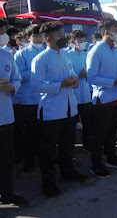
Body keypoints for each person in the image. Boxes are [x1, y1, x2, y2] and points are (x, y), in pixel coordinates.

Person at [31, 22, 88, 197]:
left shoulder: (65, 55)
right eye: (59, 35)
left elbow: (71, 74)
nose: (63, 37)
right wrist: (60, 85)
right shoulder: (40, 59)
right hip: (51, 111)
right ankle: (48, 183)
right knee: (48, 150)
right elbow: (36, 85)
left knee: (67, 145)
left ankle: (67, 173)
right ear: (49, 39)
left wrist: (75, 80)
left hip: (69, 109)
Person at [87, 18, 117, 179]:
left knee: (112, 132)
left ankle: (111, 157)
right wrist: (113, 82)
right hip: (104, 99)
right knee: (99, 134)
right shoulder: (96, 51)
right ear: (106, 31)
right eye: (116, 29)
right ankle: (96, 164)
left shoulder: (115, 51)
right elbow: (91, 77)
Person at [0, 18, 29, 206]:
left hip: (5, 116)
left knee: (6, 158)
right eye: (1, 32)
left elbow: (17, 79)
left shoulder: (7, 55)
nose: (3, 36)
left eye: (3, 32)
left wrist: (12, 87)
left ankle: (7, 192)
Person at [14, 25, 45, 172]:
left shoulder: (48, 52)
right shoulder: (21, 54)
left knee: (44, 131)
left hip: (46, 98)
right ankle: (29, 160)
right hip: (29, 99)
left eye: (41, 36)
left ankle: (43, 157)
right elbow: (18, 76)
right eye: (36, 36)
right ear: (28, 38)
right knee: (30, 132)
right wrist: (36, 72)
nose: (39, 38)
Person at [67, 30, 92, 153]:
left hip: (86, 93)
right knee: (71, 124)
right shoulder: (67, 55)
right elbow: (67, 75)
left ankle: (87, 144)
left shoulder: (86, 55)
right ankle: (70, 148)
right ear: (72, 41)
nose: (83, 43)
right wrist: (79, 75)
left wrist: (87, 75)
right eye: (80, 41)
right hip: (73, 94)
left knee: (87, 122)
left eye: (84, 40)